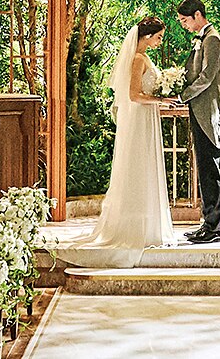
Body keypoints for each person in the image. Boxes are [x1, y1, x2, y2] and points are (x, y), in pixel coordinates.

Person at [54, 16, 177, 267]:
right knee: (137, 169)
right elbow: (133, 95)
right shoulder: (137, 59)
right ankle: (134, 229)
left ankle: (149, 227)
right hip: (140, 119)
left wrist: (162, 92)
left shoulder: (144, 57)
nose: (160, 41)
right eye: (159, 37)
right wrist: (161, 101)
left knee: (145, 169)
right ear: (146, 37)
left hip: (146, 118)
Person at [176, 0, 220, 244]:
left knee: (210, 170)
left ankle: (215, 228)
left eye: (185, 20)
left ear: (198, 15)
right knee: (205, 168)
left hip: (208, 112)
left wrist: (183, 95)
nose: (184, 25)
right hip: (199, 110)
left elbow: (207, 77)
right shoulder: (203, 39)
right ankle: (208, 222)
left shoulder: (212, 39)